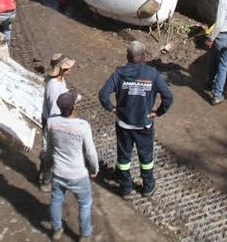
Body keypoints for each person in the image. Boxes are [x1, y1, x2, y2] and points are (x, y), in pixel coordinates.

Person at [98, 40, 173, 199]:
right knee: (146, 157)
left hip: (123, 125)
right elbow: (168, 96)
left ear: (128, 56)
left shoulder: (119, 73)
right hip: (144, 125)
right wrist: (158, 112)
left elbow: (103, 95)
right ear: (144, 56)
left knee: (123, 157)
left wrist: (112, 108)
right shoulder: (153, 74)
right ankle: (148, 187)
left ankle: (126, 188)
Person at [42, 90, 98, 241]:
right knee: (85, 204)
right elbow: (91, 153)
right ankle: (84, 234)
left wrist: (47, 168)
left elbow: (48, 150)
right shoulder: (83, 126)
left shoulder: (52, 123)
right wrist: (94, 169)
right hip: (78, 174)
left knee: (56, 200)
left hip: (58, 172)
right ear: (74, 107)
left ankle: (56, 230)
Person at [39, 54, 76, 190]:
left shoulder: (60, 80)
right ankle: (45, 182)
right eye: (67, 68)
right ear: (60, 69)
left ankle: (43, 175)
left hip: (52, 119)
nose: (70, 69)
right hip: (53, 122)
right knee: (51, 153)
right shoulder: (53, 87)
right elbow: (55, 111)